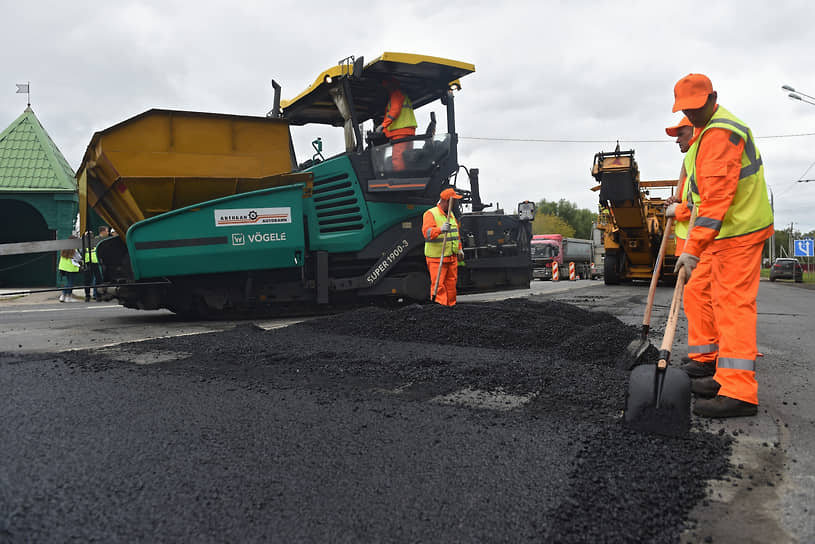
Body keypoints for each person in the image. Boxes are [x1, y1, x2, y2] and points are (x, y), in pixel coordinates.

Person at [670, 73, 774, 418]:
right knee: (718, 300)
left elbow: (714, 203)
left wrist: (691, 249)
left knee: (733, 305)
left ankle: (739, 392)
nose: (692, 116)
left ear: (712, 98)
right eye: (686, 110)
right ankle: (723, 376)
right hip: (728, 232)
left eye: (696, 108)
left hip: (740, 231)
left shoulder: (719, 133)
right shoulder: (705, 135)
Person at [664, 117, 718, 379]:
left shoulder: (703, 155)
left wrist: (680, 210)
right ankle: (705, 353)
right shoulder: (690, 159)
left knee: (699, 295)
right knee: (699, 296)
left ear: (694, 131)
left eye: (681, 133)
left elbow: (705, 204)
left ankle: (707, 357)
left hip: (706, 240)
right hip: (693, 240)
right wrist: (677, 199)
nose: (677, 140)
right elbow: (691, 198)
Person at [422, 188, 465, 306]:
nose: (455, 203)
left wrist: (460, 248)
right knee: (438, 285)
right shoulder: (431, 214)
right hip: (436, 258)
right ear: (446, 201)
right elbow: (427, 233)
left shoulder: (450, 215)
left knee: (451, 284)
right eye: (453, 201)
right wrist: (440, 230)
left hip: (451, 257)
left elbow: (455, 234)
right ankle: (440, 310)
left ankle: (451, 306)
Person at [375, 78, 417, 171]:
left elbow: (394, 111)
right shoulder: (403, 95)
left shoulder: (396, 94)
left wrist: (383, 126)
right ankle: (408, 176)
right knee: (408, 158)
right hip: (408, 132)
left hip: (400, 132)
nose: (386, 89)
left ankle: (400, 179)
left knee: (397, 158)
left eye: (386, 86)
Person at [83, 226, 108, 301]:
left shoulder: (96, 241)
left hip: (95, 262)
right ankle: (88, 295)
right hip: (88, 263)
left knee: (98, 280)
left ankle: (98, 296)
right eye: (88, 235)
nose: (90, 236)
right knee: (88, 280)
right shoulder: (84, 244)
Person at [57, 237, 82, 303]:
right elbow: (79, 258)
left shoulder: (64, 248)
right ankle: (67, 296)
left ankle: (63, 296)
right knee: (70, 282)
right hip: (71, 268)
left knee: (68, 282)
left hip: (63, 267)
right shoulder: (74, 249)